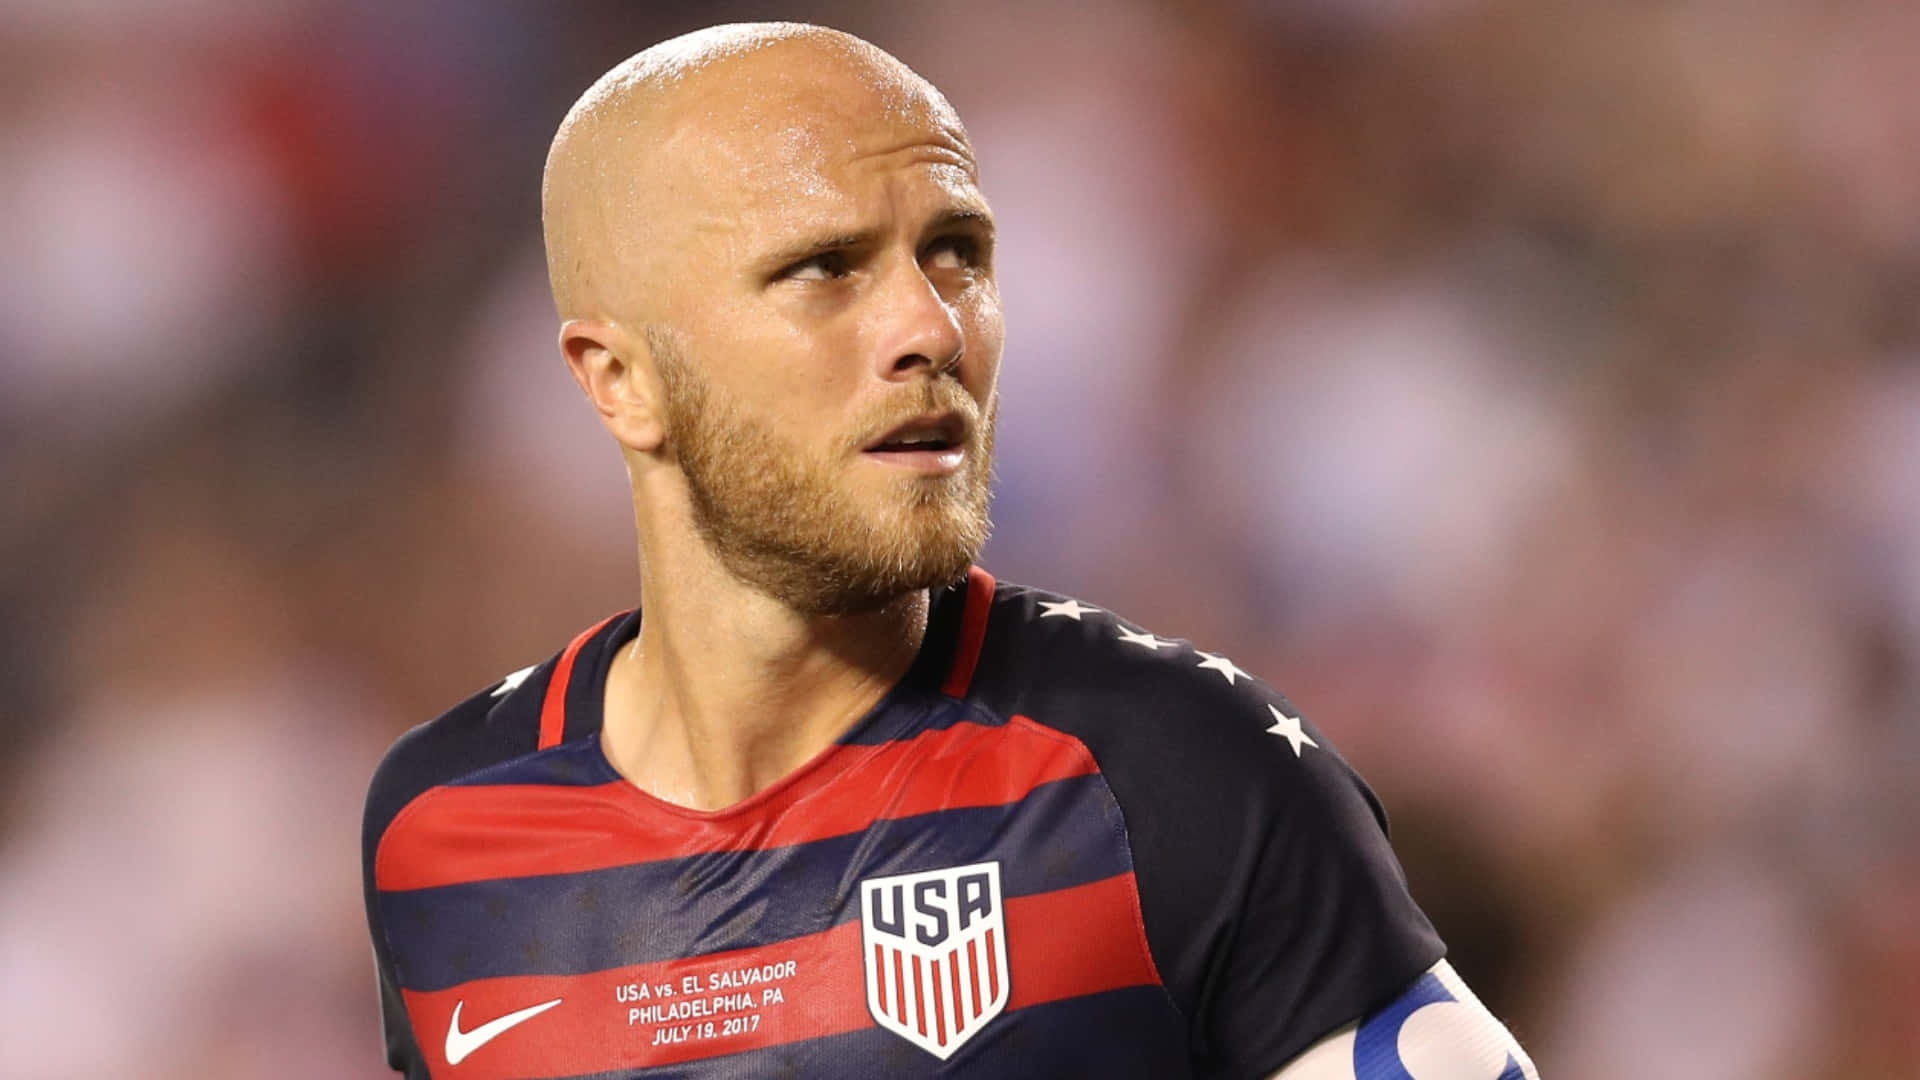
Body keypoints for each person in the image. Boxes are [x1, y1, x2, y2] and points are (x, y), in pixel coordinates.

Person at [360, 22, 1540, 1080]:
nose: (930, 326)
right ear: (621, 379)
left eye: (959, 253)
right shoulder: (445, 834)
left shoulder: (1169, 777)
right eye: (824, 269)